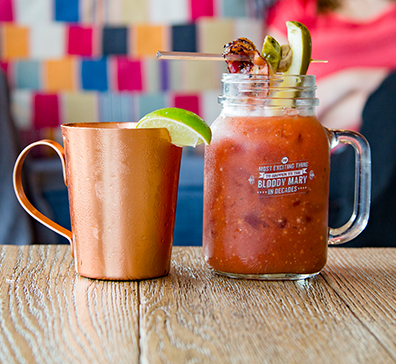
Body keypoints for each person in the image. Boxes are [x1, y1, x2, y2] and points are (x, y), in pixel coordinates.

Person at [265, 0, 396, 246]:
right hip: (328, 151)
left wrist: (354, 87)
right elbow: (278, 106)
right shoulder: (300, 8)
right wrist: (358, 85)